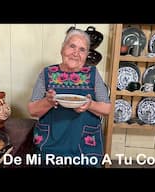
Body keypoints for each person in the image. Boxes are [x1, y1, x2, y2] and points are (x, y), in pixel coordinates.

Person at [27, 28, 111, 167]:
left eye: (82, 49)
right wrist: (48, 102)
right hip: (51, 142)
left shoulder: (93, 74)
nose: (76, 53)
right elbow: (32, 110)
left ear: (86, 55)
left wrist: (89, 105)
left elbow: (107, 109)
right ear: (62, 49)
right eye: (72, 46)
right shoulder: (47, 73)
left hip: (84, 144)